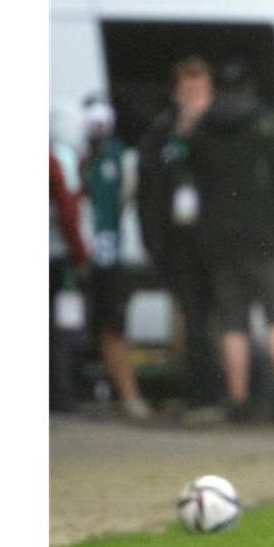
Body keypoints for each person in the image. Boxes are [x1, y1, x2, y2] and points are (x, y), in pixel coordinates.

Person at [189, 60, 274, 423]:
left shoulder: (204, 126)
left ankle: (237, 399)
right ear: (250, 87)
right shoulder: (264, 122)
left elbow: (197, 179)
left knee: (233, 323)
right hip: (268, 236)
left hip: (223, 240)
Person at [137, 56, 221, 417]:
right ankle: (196, 392)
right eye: (187, 90)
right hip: (179, 241)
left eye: (200, 90)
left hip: (216, 241)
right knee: (190, 318)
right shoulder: (161, 133)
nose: (194, 98)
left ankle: (222, 392)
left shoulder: (221, 129)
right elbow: (148, 187)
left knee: (221, 319)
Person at [80, 97, 153, 420]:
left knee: (112, 326)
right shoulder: (82, 156)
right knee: (104, 327)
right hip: (84, 253)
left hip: (108, 255)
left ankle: (127, 394)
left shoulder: (115, 155)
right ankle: (123, 394)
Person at [50, 146, 89, 413]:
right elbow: (67, 210)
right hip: (55, 258)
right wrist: (79, 254)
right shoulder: (52, 162)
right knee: (61, 332)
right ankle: (61, 394)